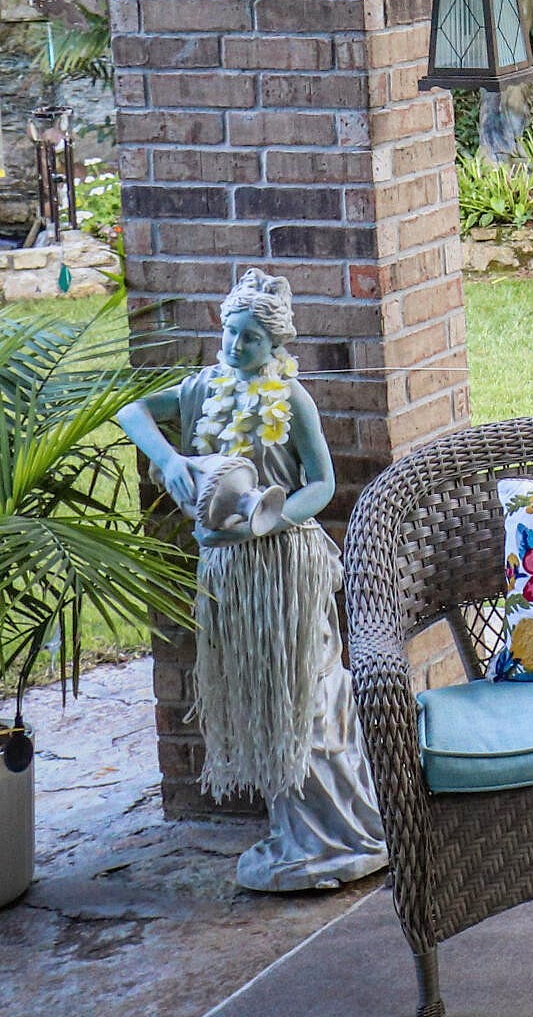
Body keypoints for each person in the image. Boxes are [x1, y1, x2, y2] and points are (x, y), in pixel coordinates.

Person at [118, 269, 388, 892]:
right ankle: (298, 835)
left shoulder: (290, 398)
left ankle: (347, 831)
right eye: (231, 333)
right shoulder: (203, 389)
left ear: (275, 345)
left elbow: (321, 484)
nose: (236, 346)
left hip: (284, 565)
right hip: (230, 573)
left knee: (307, 692)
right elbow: (133, 411)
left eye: (251, 339)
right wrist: (169, 459)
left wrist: (270, 520)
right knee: (264, 697)